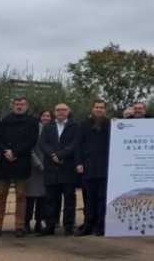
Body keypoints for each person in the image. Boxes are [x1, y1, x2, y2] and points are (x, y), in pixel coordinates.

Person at [0, 97, 38, 237]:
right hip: (6, 162)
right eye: (17, 104)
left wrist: (15, 152)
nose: (19, 106)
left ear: (26, 107)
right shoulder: (4, 121)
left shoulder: (32, 122)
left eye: (22, 104)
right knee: (1, 196)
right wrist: (6, 152)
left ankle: (19, 226)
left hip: (21, 161)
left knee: (21, 196)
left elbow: (32, 141)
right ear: (13, 106)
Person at [38, 102, 79, 237]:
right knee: (50, 199)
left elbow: (75, 144)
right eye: (58, 110)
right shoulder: (48, 126)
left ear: (68, 111)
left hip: (67, 168)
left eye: (63, 110)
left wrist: (61, 155)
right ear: (54, 112)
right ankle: (50, 226)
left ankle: (68, 226)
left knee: (69, 199)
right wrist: (53, 155)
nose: (60, 112)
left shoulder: (74, 126)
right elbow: (42, 143)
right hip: (51, 168)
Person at [73, 100, 111, 236]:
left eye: (101, 107)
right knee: (88, 197)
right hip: (88, 166)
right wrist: (78, 163)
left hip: (105, 167)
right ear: (92, 109)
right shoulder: (83, 125)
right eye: (96, 107)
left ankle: (100, 225)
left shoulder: (111, 125)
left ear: (105, 110)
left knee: (102, 198)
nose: (99, 109)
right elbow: (78, 146)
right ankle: (88, 224)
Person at [24, 108, 51, 234]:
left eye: (48, 116)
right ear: (40, 117)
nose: (46, 118)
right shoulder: (34, 129)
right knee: (29, 197)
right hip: (33, 169)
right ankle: (26, 221)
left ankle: (39, 221)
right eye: (44, 115)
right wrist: (38, 163)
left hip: (48, 168)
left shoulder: (52, 130)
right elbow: (29, 149)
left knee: (42, 198)